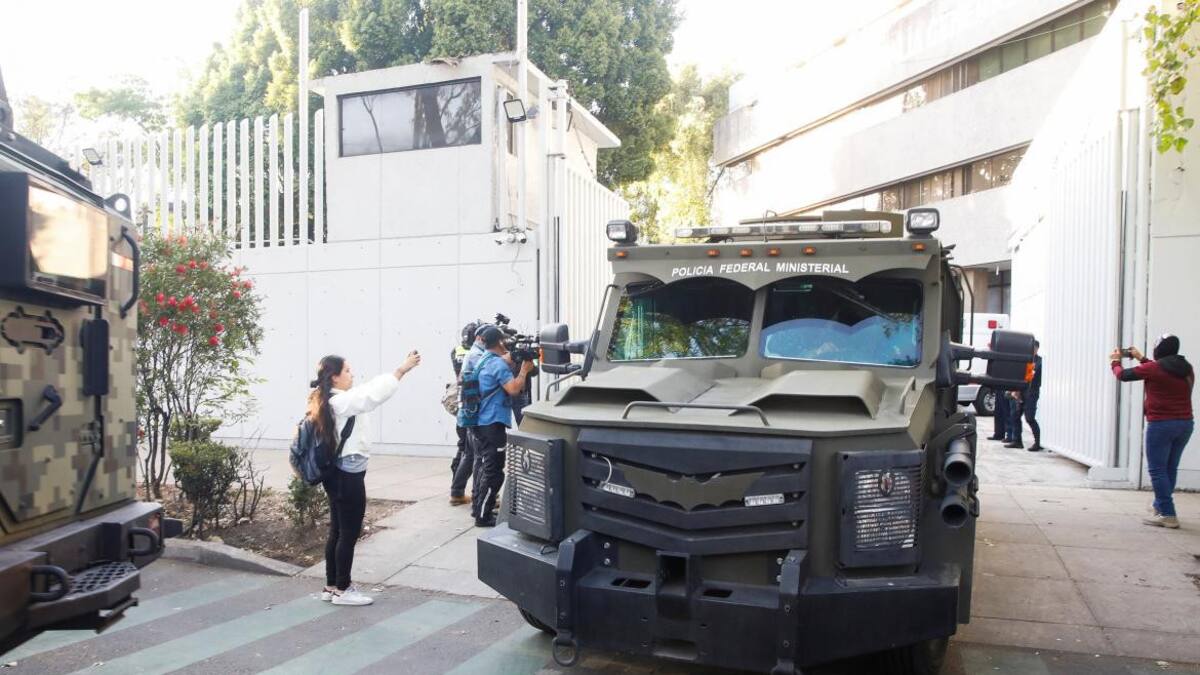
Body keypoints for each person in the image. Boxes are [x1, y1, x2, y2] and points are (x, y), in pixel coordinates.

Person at [308, 351, 421, 606]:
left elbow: (365, 390)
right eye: (347, 371)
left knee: (337, 530)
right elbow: (372, 395)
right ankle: (343, 590)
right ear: (335, 377)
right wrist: (401, 370)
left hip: (335, 473)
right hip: (347, 474)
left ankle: (331, 586)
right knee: (348, 532)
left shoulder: (327, 400)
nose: (352, 375)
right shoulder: (340, 402)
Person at [1111, 335, 1194, 529]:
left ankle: (1168, 514)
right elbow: (1160, 371)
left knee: (1157, 470)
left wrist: (1115, 361)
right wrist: (1141, 358)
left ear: (1159, 349)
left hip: (1161, 425)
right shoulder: (1186, 368)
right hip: (1185, 425)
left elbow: (1123, 375)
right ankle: (1160, 505)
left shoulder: (1154, 368)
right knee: (1169, 468)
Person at [468, 325, 534, 527]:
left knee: (486, 467)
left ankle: (479, 510)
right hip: (492, 423)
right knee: (495, 472)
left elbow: (500, 363)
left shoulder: (483, 359)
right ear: (499, 342)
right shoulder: (498, 365)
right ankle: (483, 515)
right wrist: (523, 370)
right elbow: (514, 389)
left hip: (479, 422)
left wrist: (513, 357)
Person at [449, 320, 482, 506]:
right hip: (472, 407)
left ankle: (456, 490)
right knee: (473, 453)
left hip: (463, 407)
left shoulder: (457, 351)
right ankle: (466, 492)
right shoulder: (476, 355)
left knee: (465, 450)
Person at [1005, 341, 1043, 451]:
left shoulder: (1039, 362)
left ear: (1037, 349)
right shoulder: (1025, 360)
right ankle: (1017, 441)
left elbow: (1032, 376)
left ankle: (1038, 442)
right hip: (1022, 391)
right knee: (1015, 416)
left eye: (1034, 348)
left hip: (1032, 393)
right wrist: (1016, 390)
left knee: (1030, 418)